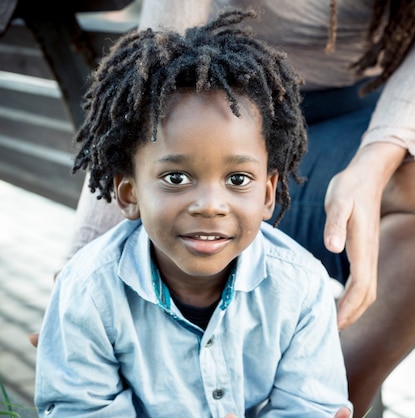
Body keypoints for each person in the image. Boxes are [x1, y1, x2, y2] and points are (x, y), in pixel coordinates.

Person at [48, 1, 415, 417]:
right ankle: (335, 392)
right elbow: (156, 68)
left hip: (379, 108)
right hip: (236, 122)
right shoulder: (96, 286)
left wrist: (374, 164)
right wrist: (86, 258)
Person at [34, 10, 354, 418]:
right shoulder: (88, 294)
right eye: (176, 177)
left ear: (268, 193)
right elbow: (81, 409)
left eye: (238, 179)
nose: (210, 205)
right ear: (128, 193)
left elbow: (309, 408)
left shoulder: (302, 289)